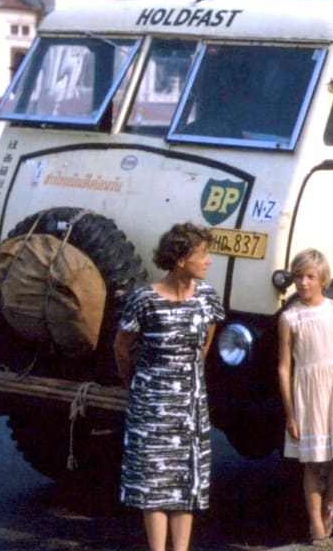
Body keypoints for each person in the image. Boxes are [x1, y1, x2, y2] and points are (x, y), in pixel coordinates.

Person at [113, 223, 224, 551]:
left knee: (185, 481)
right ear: (180, 260)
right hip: (151, 402)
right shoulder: (144, 299)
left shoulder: (207, 297)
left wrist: (190, 376)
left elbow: (206, 339)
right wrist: (135, 385)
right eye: (202, 254)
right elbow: (121, 348)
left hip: (190, 404)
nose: (208, 261)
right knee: (154, 482)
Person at [277, 248, 333, 547]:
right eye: (298, 277)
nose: (303, 283)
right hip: (308, 394)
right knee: (313, 463)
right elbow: (284, 367)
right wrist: (291, 413)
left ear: (322, 279)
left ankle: (330, 503)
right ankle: (316, 521)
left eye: (310, 277)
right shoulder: (290, 318)